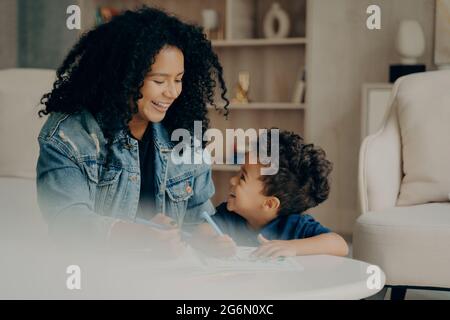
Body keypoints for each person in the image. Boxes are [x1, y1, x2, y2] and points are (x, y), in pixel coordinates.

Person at [36, 6, 229, 255]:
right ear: (123, 77)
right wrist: (137, 235)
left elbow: (198, 217)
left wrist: (209, 239)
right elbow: (67, 220)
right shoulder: (69, 136)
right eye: (159, 81)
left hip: (167, 281)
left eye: (178, 79)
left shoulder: (184, 136)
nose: (172, 92)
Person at [192, 130, 349, 258]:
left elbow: (340, 245)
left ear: (269, 204)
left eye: (242, 177)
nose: (232, 180)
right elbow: (202, 230)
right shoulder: (228, 215)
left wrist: (292, 247)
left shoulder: (296, 225)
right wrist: (212, 242)